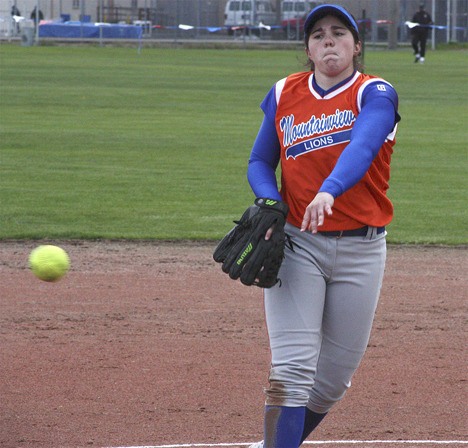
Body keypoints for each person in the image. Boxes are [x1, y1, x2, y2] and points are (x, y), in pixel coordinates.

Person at [245, 4, 400, 448]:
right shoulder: (284, 92)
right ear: (308, 50)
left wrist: (330, 189)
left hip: (363, 249)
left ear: (356, 45)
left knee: (332, 380)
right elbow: (260, 160)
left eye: (338, 32)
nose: (328, 40)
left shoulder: (376, 93)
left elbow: (365, 143)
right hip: (297, 243)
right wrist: (270, 200)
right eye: (317, 35)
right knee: (293, 369)